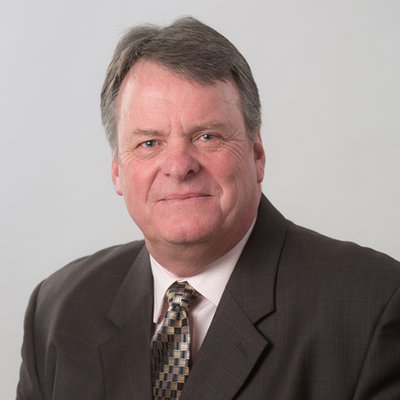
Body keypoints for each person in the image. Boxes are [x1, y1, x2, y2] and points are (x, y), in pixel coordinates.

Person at [17, 17, 400, 400]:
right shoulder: (58, 311)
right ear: (118, 171)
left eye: (207, 136)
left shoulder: (374, 306)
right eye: (149, 143)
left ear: (257, 154)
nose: (179, 166)